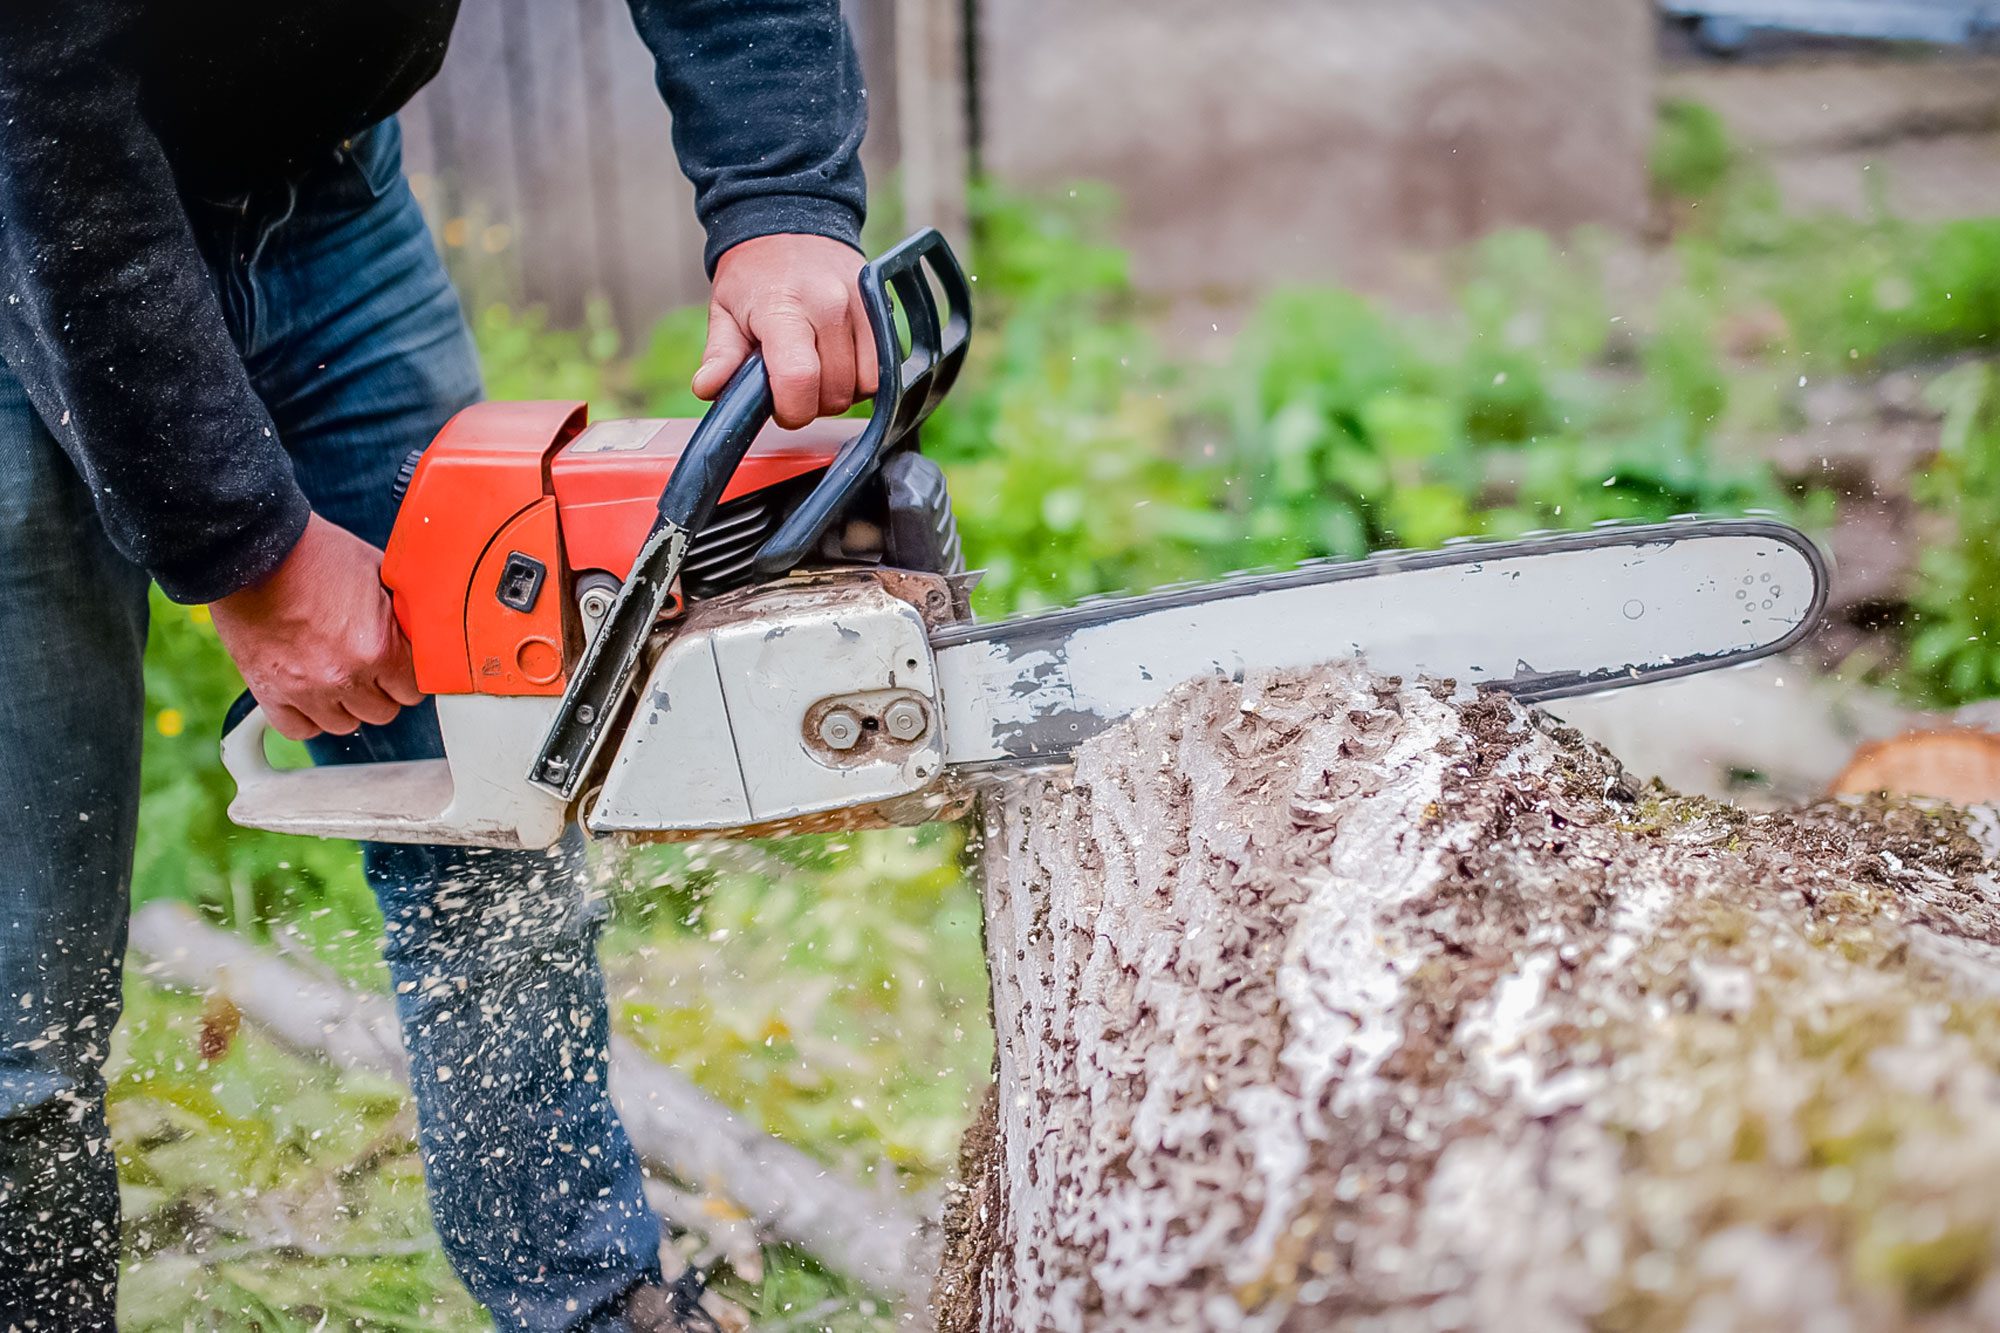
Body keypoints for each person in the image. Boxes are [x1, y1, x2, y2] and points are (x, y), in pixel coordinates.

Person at [0, 3, 874, 1328]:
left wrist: (783, 198)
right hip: (27, 203)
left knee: (494, 829)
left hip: (327, 196)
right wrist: (246, 549)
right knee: (22, 1021)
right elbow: (41, 98)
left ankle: (588, 1298)